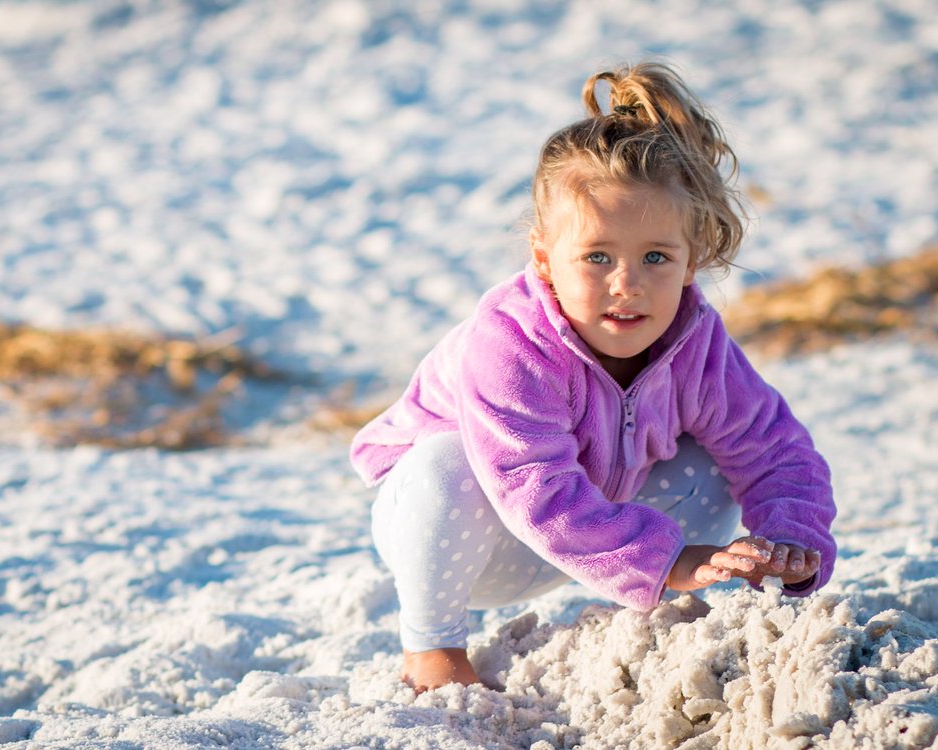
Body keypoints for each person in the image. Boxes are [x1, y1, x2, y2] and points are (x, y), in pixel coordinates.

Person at [350, 60, 836, 692]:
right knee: (447, 460)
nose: (627, 285)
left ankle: (656, 612)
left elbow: (773, 446)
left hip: (602, 530)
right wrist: (666, 560)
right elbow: (533, 486)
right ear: (545, 258)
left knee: (715, 457)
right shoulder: (510, 342)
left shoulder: (696, 341)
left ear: (693, 262)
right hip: (468, 543)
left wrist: (788, 543)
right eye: (597, 256)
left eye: (656, 257)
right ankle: (432, 650)